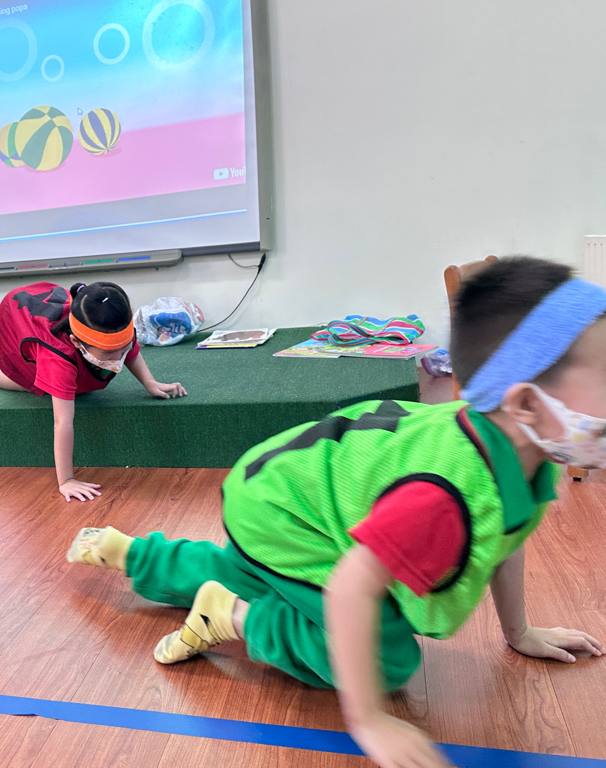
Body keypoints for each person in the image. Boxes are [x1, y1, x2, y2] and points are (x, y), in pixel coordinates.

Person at [65, 256, 605, 767]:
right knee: (387, 659)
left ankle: (133, 553)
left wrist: (519, 632)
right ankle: (231, 615)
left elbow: (506, 536)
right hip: (281, 513)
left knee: (246, 573)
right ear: (526, 404)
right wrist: (368, 722)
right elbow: (351, 588)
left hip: (284, 492)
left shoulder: (522, 459)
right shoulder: (445, 496)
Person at [0, 281, 187, 502]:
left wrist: (150, 382)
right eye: (108, 354)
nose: (118, 359)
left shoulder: (113, 324)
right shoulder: (57, 358)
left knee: (83, 379)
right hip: (18, 318)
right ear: (76, 342)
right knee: (39, 385)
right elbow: (62, 422)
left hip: (59, 323)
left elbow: (130, 347)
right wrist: (66, 480)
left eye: (122, 349)